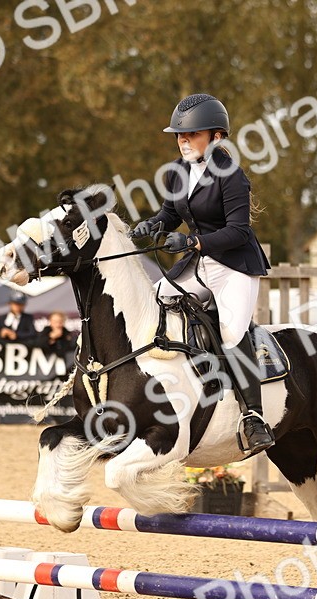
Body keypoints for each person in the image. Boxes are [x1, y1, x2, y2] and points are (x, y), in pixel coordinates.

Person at [130, 93, 275, 455]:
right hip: (198, 266)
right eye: (179, 135)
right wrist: (151, 225)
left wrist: (193, 242)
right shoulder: (178, 170)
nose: (182, 141)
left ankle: (253, 417)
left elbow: (239, 231)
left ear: (216, 137)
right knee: (157, 301)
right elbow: (169, 213)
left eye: (191, 134)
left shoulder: (232, 176)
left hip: (233, 267)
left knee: (230, 332)